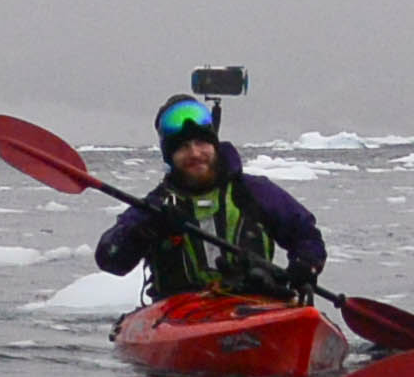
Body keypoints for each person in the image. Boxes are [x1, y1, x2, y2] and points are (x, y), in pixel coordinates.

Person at [94, 93, 328, 304]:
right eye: (183, 148)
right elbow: (109, 259)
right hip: (180, 313)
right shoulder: (157, 207)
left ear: (214, 146)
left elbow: (305, 233)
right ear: (170, 157)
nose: (195, 154)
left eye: (201, 143)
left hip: (254, 302)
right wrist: (145, 230)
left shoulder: (254, 192)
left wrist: (307, 264)